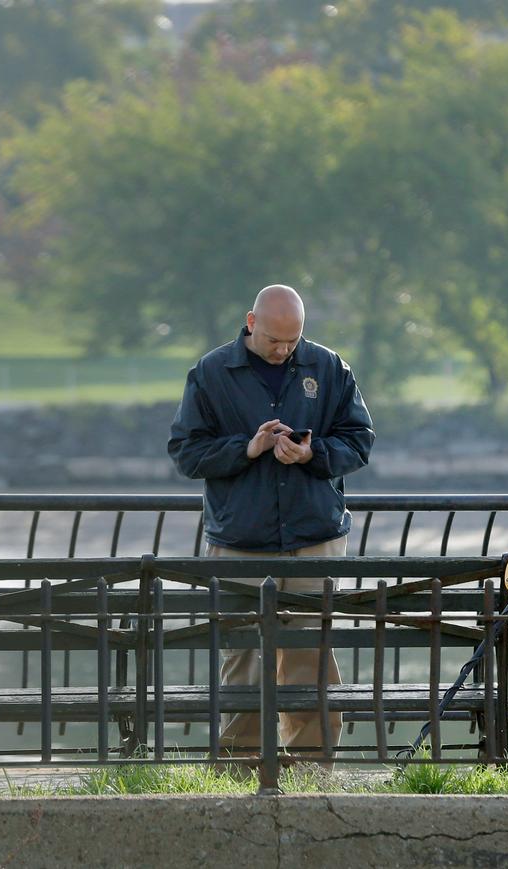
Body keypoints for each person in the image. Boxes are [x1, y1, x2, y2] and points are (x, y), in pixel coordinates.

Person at [168, 284, 374, 763]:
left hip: (313, 536)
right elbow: (186, 452)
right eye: (274, 341)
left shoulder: (330, 367)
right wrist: (247, 448)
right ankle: (241, 763)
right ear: (251, 322)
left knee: (310, 656)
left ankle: (311, 764)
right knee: (243, 657)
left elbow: (359, 441)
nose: (283, 351)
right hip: (241, 540)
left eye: (293, 341)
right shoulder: (210, 372)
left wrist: (312, 452)